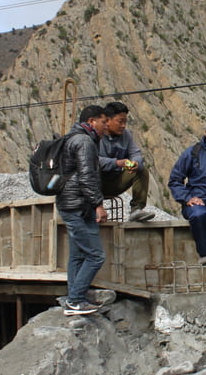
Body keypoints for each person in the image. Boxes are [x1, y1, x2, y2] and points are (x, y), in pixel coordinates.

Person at [56, 105, 109, 315]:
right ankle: (75, 299)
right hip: (77, 205)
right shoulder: (85, 142)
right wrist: (98, 204)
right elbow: (87, 176)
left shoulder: (73, 138)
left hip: (73, 204)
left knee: (77, 255)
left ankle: (73, 298)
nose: (106, 126)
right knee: (96, 255)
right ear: (92, 121)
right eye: (104, 122)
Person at [167, 115, 206, 266]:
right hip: (199, 201)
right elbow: (175, 180)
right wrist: (188, 198)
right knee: (198, 214)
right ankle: (205, 256)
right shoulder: (192, 153)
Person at [98, 101, 154, 222]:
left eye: (125, 122)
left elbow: (136, 153)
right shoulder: (97, 135)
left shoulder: (126, 135)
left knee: (141, 170)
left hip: (114, 181)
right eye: (120, 121)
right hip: (95, 183)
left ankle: (136, 209)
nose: (123, 126)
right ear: (108, 121)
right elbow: (92, 160)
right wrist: (116, 163)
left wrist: (135, 163)